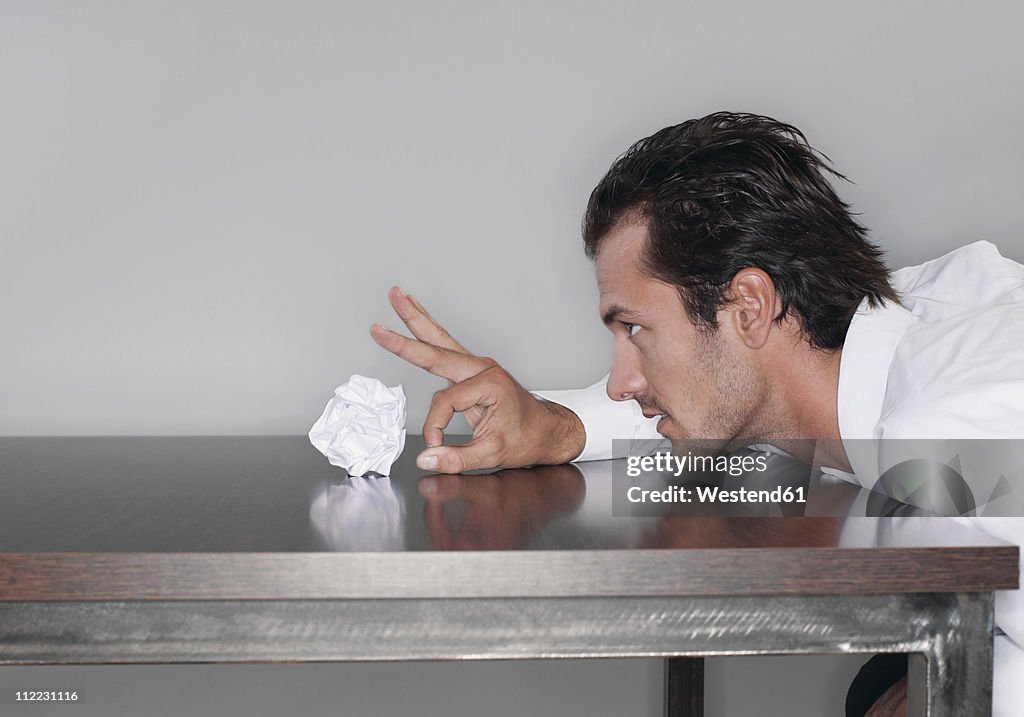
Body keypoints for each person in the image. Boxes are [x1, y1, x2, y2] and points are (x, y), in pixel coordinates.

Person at [371, 112, 1024, 715]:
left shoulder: (952, 433)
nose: (624, 381)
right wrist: (554, 425)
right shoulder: (885, 322)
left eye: (635, 330)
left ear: (748, 304)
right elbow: (724, 394)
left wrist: (966, 696)